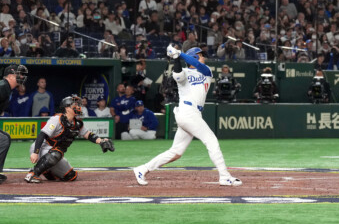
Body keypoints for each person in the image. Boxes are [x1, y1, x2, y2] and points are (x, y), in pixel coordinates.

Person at [134, 46, 241, 187]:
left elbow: (197, 64)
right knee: (212, 141)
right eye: (201, 55)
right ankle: (224, 176)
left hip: (193, 114)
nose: (204, 58)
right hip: (187, 112)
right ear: (195, 56)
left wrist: (180, 53)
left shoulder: (206, 71)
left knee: (176, 152)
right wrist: (176, 58)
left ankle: (142, 169)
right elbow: (178, 74)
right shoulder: (182, 71)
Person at [24, 95, 113, 183]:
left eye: (78, 105)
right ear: (67, 108)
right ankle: (32, 174)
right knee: (56, 153)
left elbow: (88, 134)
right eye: (75, 105)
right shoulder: (57, 119)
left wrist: (101, 141)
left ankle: (46, 170)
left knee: (71, 176)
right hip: (41, 148)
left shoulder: (77, 124)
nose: (78, 107)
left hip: (55, 153)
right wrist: (35, 152)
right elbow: (42, 135)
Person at [0, 64, 27, 184]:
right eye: (19, 74)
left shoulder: (6, 88)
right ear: (11, 76)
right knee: (1, 139)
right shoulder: (1, 87)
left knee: (5, 137)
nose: (22, 76)